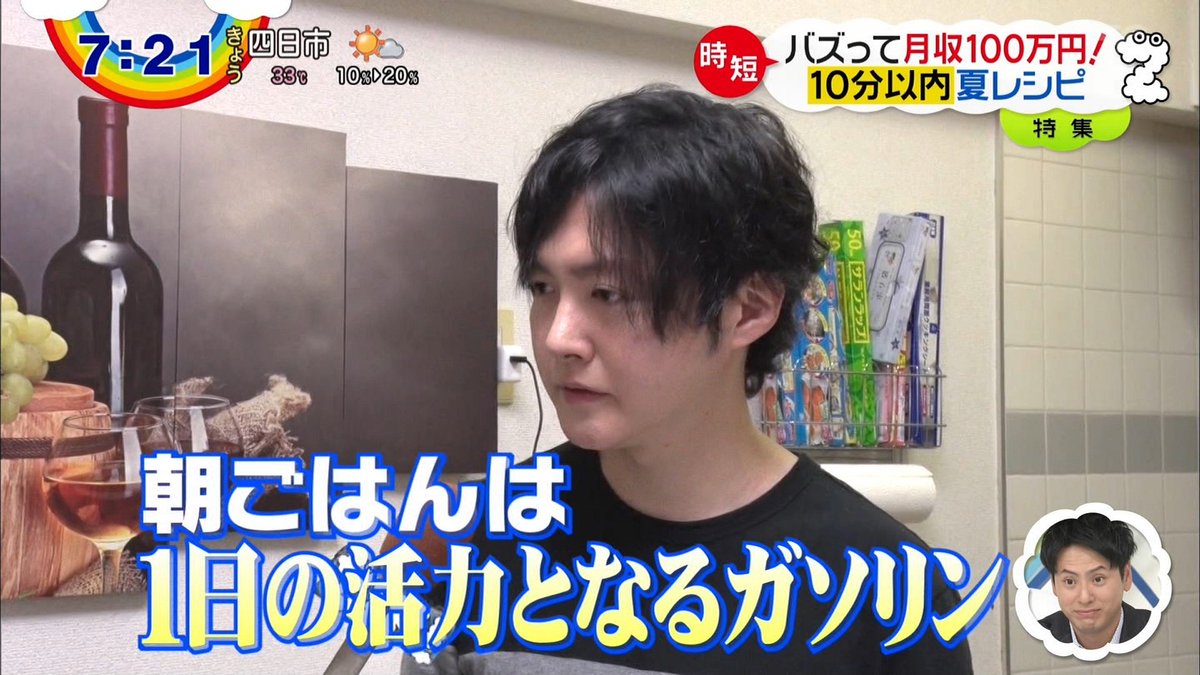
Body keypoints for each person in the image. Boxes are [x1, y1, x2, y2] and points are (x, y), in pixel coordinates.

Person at [405, 85, 973, 674]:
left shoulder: (888, 592)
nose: (557, 337)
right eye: (544, 287)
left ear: (749, 310)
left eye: (608, 293)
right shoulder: (476, 536)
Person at [1036, 513, 1152, 649]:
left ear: (1126, 576)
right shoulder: (1035, 639)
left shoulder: (1158, 629)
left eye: (1098, 579)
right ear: (1054, 584)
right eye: (1069, 581)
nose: (1085, 598)